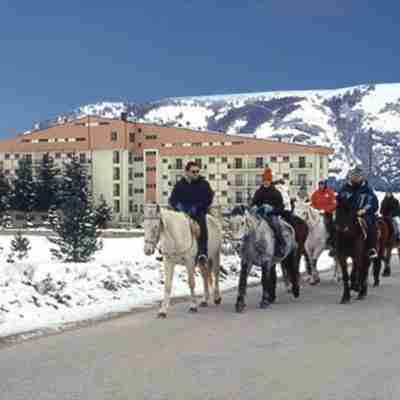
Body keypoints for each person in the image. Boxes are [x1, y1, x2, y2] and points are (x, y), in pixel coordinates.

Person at [169, 161, 214, 266]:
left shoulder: (204, 184)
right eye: (193, 171)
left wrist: (197, 207)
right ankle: (167, 251)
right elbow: (172, 200)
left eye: (197, 171)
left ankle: (202, 252)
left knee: (202, 226)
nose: (196, 174)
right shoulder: (179, 184)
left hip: (198, 212)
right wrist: (178, 206)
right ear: (187, 172)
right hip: (182, 213)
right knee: (170, 227)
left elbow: (209, 198)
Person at [337, 165, 379, 259]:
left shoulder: (367, 190)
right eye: (353, 176)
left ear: (361, 177)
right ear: (350, 176)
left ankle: (371, 248)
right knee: (337, 225)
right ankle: (336, 247)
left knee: (370, 225)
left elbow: (373, 203)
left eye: (357, 176)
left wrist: (364, 210)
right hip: (347, 214)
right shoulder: (345, 189)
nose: (355, 178)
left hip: (363, 215)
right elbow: (339, 201)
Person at [251, 166, 286, 257]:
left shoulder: (276, 192)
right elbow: (254, 202)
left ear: (270, 181)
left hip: (271, 215)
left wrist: (272, 209)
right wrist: (254, 207)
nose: (265, 182)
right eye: (264, 181)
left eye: (267, 181)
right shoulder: (258, 192)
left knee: (276, 225)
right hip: (259, 215)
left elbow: (281, 207)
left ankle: (281, 245)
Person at [310, 180, 337, 249]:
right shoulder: (315, 193)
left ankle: (331, 241)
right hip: (317, 213)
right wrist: (315, 209)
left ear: (325, 185)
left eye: (322, 184)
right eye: (320, 185)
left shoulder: (330, 192)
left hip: (327, 213)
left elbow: (334, 204)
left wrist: (326, 210)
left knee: (329, 226)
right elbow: (312, 203)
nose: (321, 186)